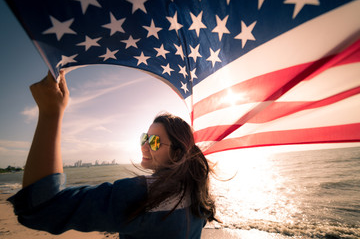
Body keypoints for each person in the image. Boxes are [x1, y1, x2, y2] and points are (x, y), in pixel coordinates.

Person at [8, 71, 218, 239]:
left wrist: (50, 113)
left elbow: (41, 208)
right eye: (145, 138)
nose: (145, 146)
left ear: (177, 154)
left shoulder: (145, 195)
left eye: (154, 142)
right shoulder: (197, 192)